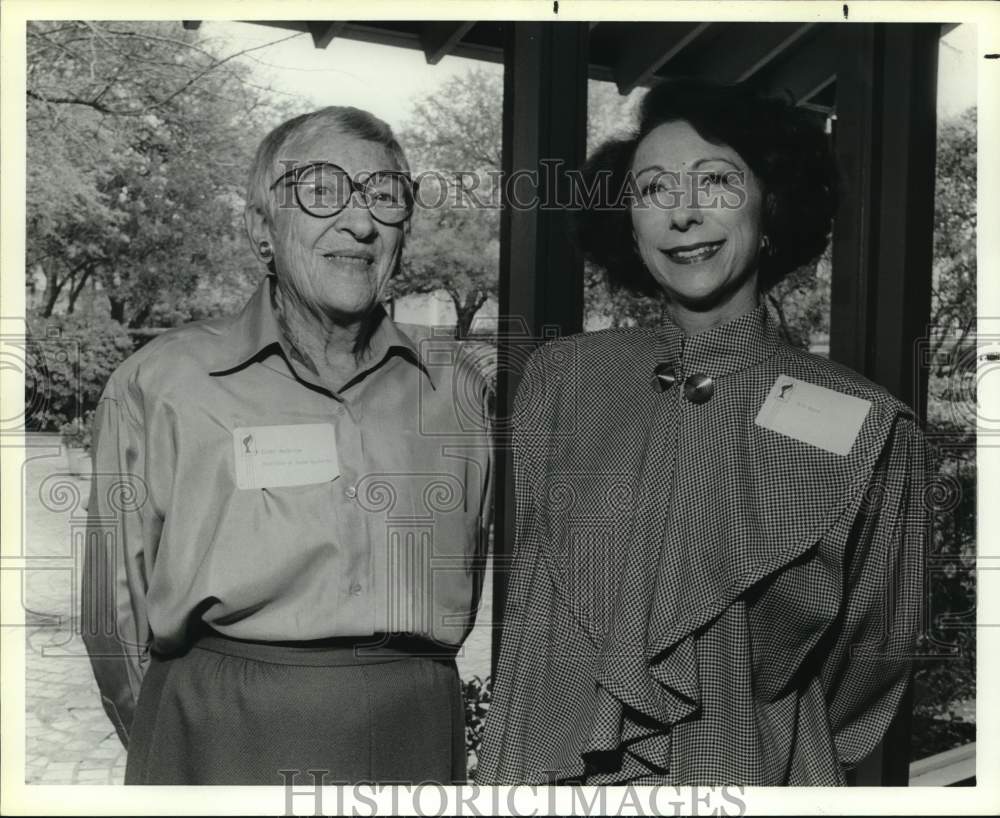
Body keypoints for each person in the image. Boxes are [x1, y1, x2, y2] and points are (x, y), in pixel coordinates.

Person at [476, 79, 926, 786]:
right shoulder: (561, 379)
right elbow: (533, 605)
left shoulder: (868, 423)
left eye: (716, 180)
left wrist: (762, 727)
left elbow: (871, 658)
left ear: (771, 203)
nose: (683, 213)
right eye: (653, 189)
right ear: (628, 222)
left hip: (747, 765)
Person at [81, 107, 492, 785]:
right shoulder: (164, 382)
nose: (359, 224)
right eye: (322, 190)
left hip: (414, 738)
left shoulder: (457, 391)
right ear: (259, 225)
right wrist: (168, 746)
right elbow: (112, 612)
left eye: (385, 196)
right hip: (220, 738)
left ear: (405, 229)